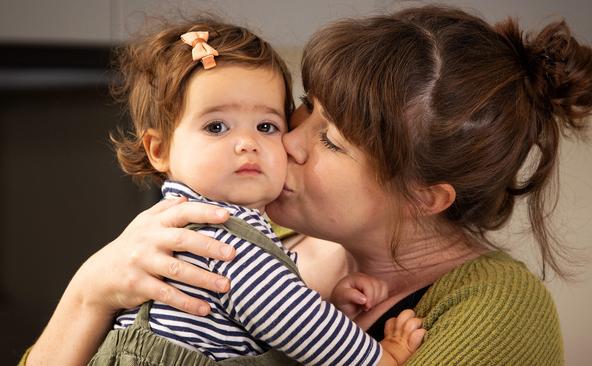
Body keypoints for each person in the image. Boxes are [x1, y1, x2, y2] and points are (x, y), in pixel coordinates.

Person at [24, 4, 592, 366]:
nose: (289, 141)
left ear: (423, 196)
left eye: (332, 141)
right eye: (305, 108)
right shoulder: (263, 236)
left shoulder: (498, 313)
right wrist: (91, 290)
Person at [83, 18, 423, 366]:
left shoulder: (178, 228)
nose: (247, 143)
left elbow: (266, 322)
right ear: (159, 149)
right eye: (216, 127)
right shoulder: (218, 235)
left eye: (266, 126)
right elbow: (297, 322)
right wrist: (383, 357)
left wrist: (331, 310)